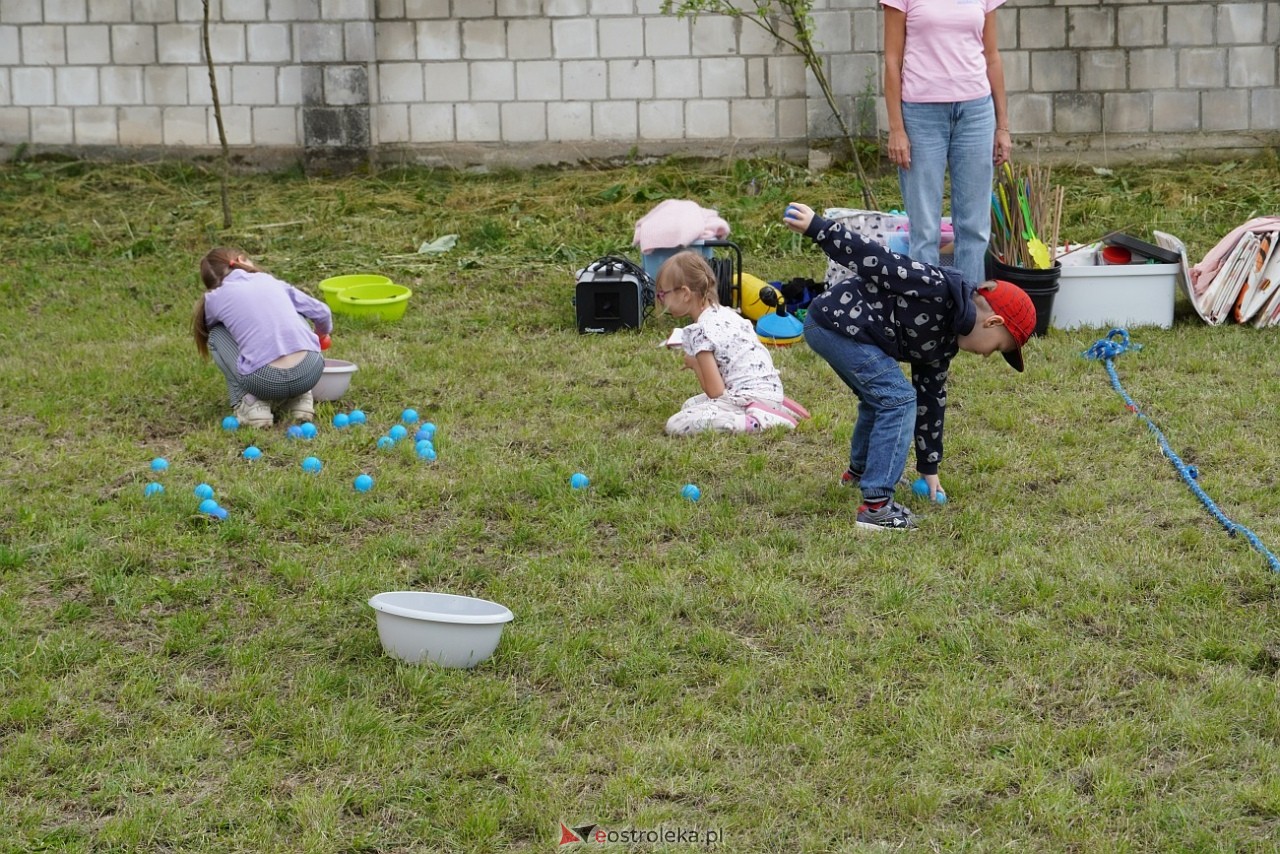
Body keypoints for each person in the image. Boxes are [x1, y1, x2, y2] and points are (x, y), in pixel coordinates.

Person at [783, 202, 1034, 531]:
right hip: (835, 324)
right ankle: (876, 508)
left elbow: (932, 400)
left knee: (882, 399)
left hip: (845, 331)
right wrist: (820, 228)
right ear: (993, 322)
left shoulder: (944, 343)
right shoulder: (936, 287)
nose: (988, 356)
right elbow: (876, 260)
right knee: (898, 399)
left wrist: (929, 465)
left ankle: (858, 473)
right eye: (999, 347)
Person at [882, 0, 1011, 289]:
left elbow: (992, 57)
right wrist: (896, 128)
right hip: (920, 116)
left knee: (974, 227)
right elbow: (892, 60)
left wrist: (1002, 125)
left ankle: (969, 315)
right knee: (925, 229)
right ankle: (929, 312)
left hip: (976, 113)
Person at [656, 251, 808, 436]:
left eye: (663, 293)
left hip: (744, 397)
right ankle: (775, 406)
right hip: (769, 389)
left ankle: (756, 421)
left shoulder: (700, 332)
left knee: (677, 423)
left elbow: (716, 392)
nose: (661, 299)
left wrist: (695, 364)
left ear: (686, 294)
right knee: (690, 405)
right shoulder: (727, 313)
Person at [192, 247, 332, 428]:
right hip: (310, 371)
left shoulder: (214, 298)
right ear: (242, 259)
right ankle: (301, 398)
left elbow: (210, 326)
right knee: (295, 311)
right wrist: (321, 336)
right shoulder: (269, 280)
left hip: (263, 381)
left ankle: (251, 404)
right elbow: (322, 312)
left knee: (217, 333)